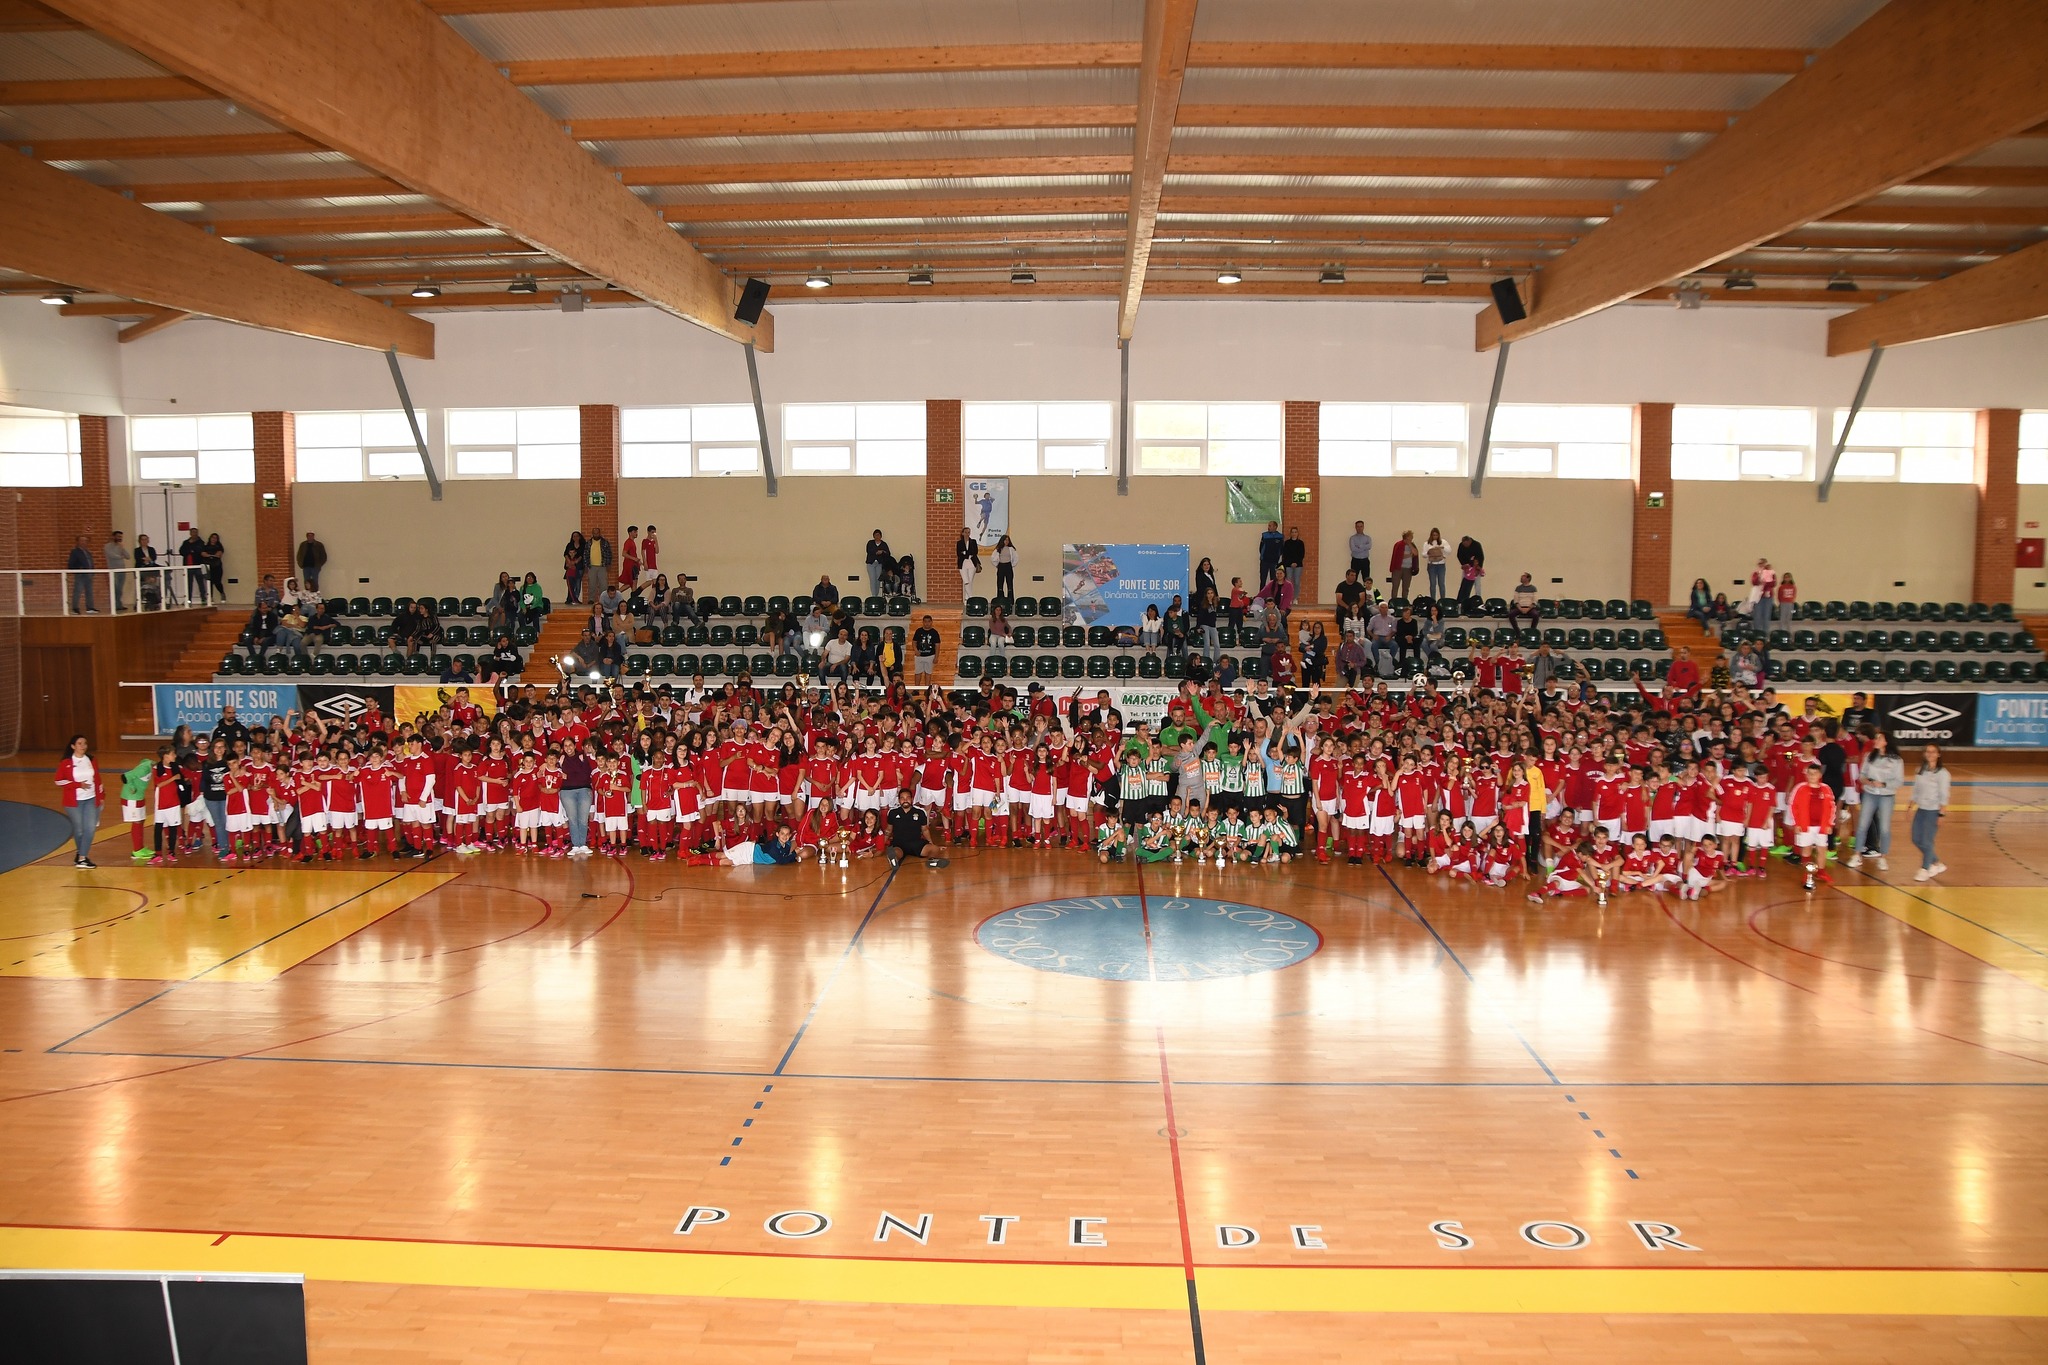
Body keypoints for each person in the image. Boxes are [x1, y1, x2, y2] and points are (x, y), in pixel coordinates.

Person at [1848, 728, 1900, 871]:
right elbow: (1861, 775)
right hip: (1870, 794)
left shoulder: (1896, 760)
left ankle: (1883, 857)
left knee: (1884, 828)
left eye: (1879, 739)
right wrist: (1868, 781)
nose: (1876, 741)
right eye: (1876, 738)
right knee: (1862, 825)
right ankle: (1857, 854)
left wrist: (1884, 784)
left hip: (1886, 796)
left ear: (1886, 742)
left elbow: (1899, 781)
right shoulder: (1869, 756)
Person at [55, 734, 103, 868]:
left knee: (90, 828)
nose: (83, 746)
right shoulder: (66, 763)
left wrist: (101, 796)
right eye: (80, 743)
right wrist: (77, 785)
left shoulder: (92, 760)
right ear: (73, 746)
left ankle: (82, 857)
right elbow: (58, 780)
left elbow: (98, 779)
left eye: (85, 743)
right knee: (79, 830)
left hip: (91, 799)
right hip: (74, 802)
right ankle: (81, 854)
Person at [1905, 743, 1949, 882]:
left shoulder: (1943, 774)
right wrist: (1910, 806)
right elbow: (1916, 790)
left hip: (1933, 811)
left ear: (1938, 754)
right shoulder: (1921, 770)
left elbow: (1944, 795)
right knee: (1916, 839)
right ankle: (1936, 862)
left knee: (1927, 840)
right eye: (1927, 752)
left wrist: (1941, 814)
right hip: (1921, 809)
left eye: (1933, 752)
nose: (1930, 754)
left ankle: (1925, 868)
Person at [885, 789, 949, 868]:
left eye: (908, 798)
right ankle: (894, 861)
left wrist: (930, 843)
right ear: (899, 800)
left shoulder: (920, 812)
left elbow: (925, 829)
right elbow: (888, 830)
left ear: (912, 799)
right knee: (895, 852)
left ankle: (932, 861)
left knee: (934, 849)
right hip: (899, 844)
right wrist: (881, 845)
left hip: (916, 844)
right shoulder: (892, 812)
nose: (905, 800)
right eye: (902, 798)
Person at [178, 528, 209, 605]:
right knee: (188, 584)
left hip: (197, 565)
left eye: (195, 532)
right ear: (190, 533)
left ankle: (203, 599)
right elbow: (182, 551)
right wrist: (190, 550)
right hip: (188, 566)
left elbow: (198, 551)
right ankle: (188, 600)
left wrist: (192, 550)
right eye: (192, 532)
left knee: (201, 583)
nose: (194, 534)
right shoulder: (185, 542)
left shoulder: (201, 542)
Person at [67, 534, 97, 614]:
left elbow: (90, 562)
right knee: (78, 590)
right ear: (78, 542)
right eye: (82, 540)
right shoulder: (75, 552)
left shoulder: (87, 552)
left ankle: (90, 607)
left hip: (89, 574)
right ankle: (75, 608)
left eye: (85, 541)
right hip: (80, 575)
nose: (84, 542)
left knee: (89, 591)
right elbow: (71, 564)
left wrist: (93, 571)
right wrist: (78, 569)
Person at [1748, 557, 1777, 636]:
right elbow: (1754, 582)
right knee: (1757, 616)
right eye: (1760, 564)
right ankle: (1757, 635)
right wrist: (1760, 576)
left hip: (1768, 596)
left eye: (1763, 563)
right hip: (1758, 597)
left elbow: (1773, 583)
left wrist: (1766, 581)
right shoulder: (1756, 573)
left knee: (1766, 617)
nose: (1762, 565)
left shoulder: (1771, 572)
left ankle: (1765, 635)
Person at [1388, 531, 1419, 600]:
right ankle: (1394, 600)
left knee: (1406, 587)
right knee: (1395, 586)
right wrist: (1410, 555)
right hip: (1398, 568)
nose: (1412, 538)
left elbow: (1415, 553)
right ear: (1407, 537)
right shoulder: (1399, 544)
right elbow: (1399, 556)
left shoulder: (1412, 545)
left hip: (1408, 569)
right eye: (1410, 536)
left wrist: (1410, 545)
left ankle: (1405, 601)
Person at [1455, 535, 1484, 607]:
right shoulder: (1461, 546)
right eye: (1464, 544)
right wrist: (1464, 564)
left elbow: (1481, 557)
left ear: (1469, 541)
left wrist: (1478, 568)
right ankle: (1462, 601)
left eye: (1466, 544)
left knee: (1477, 585)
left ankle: (1478, 600)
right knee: (1464, 586)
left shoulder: (1477, 545)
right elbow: (1459, 555)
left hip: (1476, 568)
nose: (1465, 546)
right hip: (1467, 569)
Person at [102, 529, 128, 611]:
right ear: (114, 537)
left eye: (121, 537)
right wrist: (121, 556)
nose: (120, 538)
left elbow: (128, 556)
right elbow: (112, 556)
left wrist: (122, 548)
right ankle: (114, 605)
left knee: (120, 589)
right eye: (118, 536)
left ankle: (119, 604)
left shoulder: (121, 546)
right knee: (115, 588)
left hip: (122, 570)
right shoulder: (107, 546)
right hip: (113, 570)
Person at [563, 530, 589, 605]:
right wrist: (569, 561)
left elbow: (582, 555)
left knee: (578, 583)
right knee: (570, 584)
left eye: (577, 536)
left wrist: (575, 562)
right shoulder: (569, 545)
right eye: (574, 536)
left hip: (579, 567)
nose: (575, 537)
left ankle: (575, 599)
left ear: (580, 537)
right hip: (569, 566)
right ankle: (570, 598)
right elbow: (565, 554)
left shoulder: (583, 545)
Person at [864, 529, 893, 598]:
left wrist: (882, 552)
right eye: (876, 535)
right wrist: (876, 552)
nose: (877, 536)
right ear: (873, 536)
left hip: (879, 564)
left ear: (881, 536)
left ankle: (876, 595)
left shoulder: (884, 544)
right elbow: (868, 550)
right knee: (872, 580)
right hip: (871, 564)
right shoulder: (870, 543)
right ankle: (874, 595)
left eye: (878, 535)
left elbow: (888, 553)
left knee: (878, 579)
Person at [1280, 526, 1306, 599]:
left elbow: (1302, 554)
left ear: (1297, 533)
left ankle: (1295, 598)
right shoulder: (1287, 543)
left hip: (1298, 565)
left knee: (1297, 582)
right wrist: (1291, 563)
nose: (1294, 534)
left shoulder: (1301, 543)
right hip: (1288, 565)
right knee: (1288, 582)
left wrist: (1296, 563)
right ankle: (1288, 598)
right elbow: (1285, 554)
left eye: (1295, 532)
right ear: (1290, 533)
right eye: (1292, 532)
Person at [1422, 528, 1448, 601]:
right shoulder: (1427, 543)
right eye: (1433, 535)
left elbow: (1449, 551)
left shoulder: (1443, 542)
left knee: (1441, 584)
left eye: (1436, 535)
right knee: (1433, 584)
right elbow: (1423, 554)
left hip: (1441, 565)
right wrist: (1430, 552)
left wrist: (1442, 547)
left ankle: (1443, 600)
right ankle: (1433, 600)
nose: (1435, 536)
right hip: (1432, 565)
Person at [955, 528, 980, 599]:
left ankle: (966, 599)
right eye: (965, 532)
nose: (967, 534)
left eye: (968, 532)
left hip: (971, 563)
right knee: (966, 581)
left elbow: (974, 552)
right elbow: (959, 554)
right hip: (963, 563)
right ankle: (971, 598)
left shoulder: (973, 542)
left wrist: (965, 553)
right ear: (962, 533)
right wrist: (967, 553)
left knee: (970, 581)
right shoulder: (959, 543)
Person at [913, 615, 939, 682]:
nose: (927, 623)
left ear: (931, 622)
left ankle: (927, 690)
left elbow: (937, 645)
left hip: (930, 656)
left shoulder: (934, 633)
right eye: (925, 621)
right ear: (923, 622)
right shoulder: (918, 631)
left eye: (928, 621)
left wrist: (936, 657)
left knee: (928, 673)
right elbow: (914, 642)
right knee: (918, 673)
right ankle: (916, 689)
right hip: (919, 656)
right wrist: (916, 650)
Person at [991, 534, 1017, 602]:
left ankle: (1010, 601)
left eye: (1008, 540)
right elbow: (993, 558)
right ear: (1002, 540)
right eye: (1005, 540)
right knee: (1000, 584)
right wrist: (997, 565)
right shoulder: (998, 549)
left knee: (1010, 584)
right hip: (1001, 567)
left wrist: (1012, 565)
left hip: (1008, 567)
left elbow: (1016, 558)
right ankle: (1000, 600)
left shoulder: (1011, 549)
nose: (1007, 541)